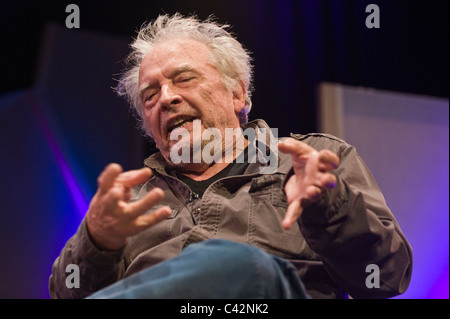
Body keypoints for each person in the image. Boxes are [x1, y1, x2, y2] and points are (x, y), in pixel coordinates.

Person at [49, 13, 412, 299]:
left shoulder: (315, 160)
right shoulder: (127, 201)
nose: (166, 98)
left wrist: (329, 205)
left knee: (230, 262)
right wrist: (97, 241)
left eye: (184, 78)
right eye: (149, 95)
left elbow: (386, 277)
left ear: (238, 94)